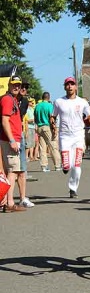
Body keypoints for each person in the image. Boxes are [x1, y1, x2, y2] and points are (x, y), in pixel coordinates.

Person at [51, 77, 90, 198]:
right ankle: (65, 166)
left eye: (72, 84)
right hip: (64, 136)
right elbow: (53, 116)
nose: (70, 86)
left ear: (76, 86)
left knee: (76, 166)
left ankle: (73, 189)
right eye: (68, 84)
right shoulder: (58, 102)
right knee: (67, 165)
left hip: (78, 135)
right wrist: (53, 126)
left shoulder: (82, 102)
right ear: (64, 87)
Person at [0, 76, 27, 212]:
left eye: (18, 85)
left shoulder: (13, 100)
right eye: (14, 85)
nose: (16, 87)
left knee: (11, 170)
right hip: (10, 140)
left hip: (13, 138)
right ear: (9, 85)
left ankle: (7, 201)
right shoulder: (7, 99)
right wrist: (11, 140)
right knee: (12, 171)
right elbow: (5, 120)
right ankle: (9, 203)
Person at [34, 92, 62, 172]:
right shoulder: (50, 106)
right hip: (47, 126)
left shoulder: (37, 106)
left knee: (42, 147)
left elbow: (35, 117)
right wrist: (54, 128)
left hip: (39, 127)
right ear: (48, 98)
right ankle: (57, 165)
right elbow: (51, 117)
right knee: (53, 146)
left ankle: (44, 166)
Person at [25, 97, 36, 161]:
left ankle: (31, 156)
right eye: (30, 102)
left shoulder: (32, 109)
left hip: (33, 127)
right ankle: (26, 156)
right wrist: (31, 120)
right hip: (28, 127)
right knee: (28, 142)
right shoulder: (26, 109)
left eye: (32, 101)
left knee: (32, 142)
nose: (32, 103)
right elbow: (26, 120)